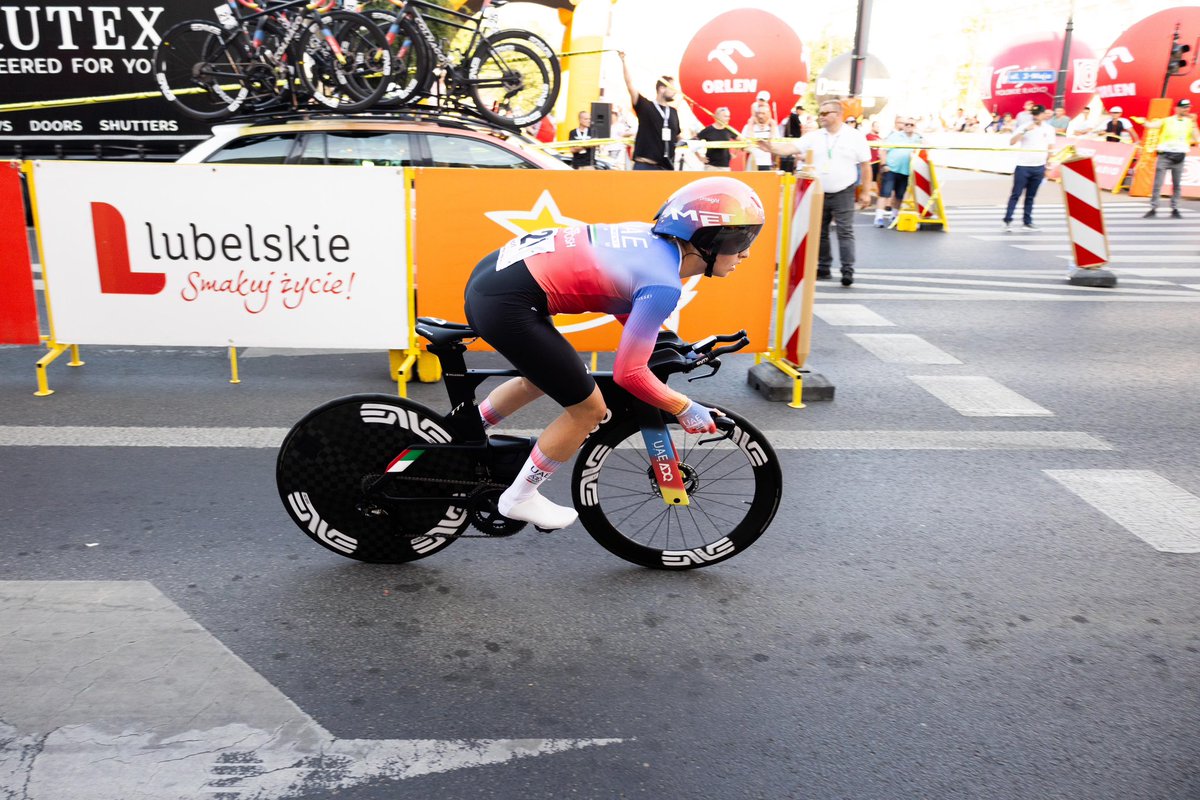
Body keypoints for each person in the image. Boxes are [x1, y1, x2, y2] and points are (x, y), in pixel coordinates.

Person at [462, 177, 765, 529]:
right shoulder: (663, 282)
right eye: (742, 241)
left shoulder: (651, 240)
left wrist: (665, 339)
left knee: (540, 378)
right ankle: (520, 498)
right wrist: (684, 407)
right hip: (508, 301)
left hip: (496, 281)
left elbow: (620, 295)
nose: (745, 253)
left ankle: (463, 435)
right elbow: (629, 374)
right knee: (589, 410)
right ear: (709, 241)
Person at [758, 98, 872, 286]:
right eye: (820, 113)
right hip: (818, 190)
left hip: (844, 190)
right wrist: (772, 148)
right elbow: (791, 148)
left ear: (838, 114)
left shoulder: (854, 136)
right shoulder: (815, 136)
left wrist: (866, 192)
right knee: (820, 232)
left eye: (825, 113)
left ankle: (847, 270)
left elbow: (866, 166)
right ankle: (824, 267)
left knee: (845, 232)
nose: (821, 117)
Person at [619, 51, 681, 170]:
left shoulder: (673, 112)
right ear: (662, 88)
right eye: (672, 88)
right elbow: (630, 84)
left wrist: (692, 143)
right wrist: (623, 61)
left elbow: (677, 135)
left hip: (666, 168)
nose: (675, 91)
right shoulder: (646, 106)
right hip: (645, 165)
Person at [1002, 103, 1056, 232]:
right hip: (1023, 166)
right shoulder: (1024, 127)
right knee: (1016, 194)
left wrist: (1048, 167)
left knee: (1031, 196)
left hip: (1039, 166)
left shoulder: (1049, 129)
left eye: (1038, 114)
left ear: (1043, 115)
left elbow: (1050, 148)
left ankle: (1027, 221)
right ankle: (1008, 220)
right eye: (1034, 114)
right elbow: (1012, 142)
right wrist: (1025, 131)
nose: (1036, 117)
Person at [1142, 98, 1198, 218]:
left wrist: (1194, 123)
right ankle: (1153, 207)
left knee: (1177, 184)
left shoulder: (1190, 123)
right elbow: (1152, 125)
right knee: (1158, 184)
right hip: (1164, 156)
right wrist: (1143, 122)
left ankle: (1175, 208)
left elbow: (1197, 138)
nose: (1186, 109)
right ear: (1176, 109)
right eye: (1184, 107)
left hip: (1179, 158)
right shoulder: (1167, 121)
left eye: (1188, 107)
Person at [874, 117, 923, 227]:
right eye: (907, 124)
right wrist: (884, 164)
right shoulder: (895, 136)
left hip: (905, 171)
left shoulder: (917, 138)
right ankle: (879, 218)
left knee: (899, 196)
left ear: (915, 127)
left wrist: (920, 134)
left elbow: (927, 146)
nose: (909, 126)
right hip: (891, 169)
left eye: (911, 125)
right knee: (884, 194)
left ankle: (894, 216)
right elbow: (882, 150)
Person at [695, 106, 739, 171]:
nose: (728, 118)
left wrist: (735, 154)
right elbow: (692, 143)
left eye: (728, 116)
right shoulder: (708, 130)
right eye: (725, 116)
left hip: (725, 167)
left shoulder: (728, 130)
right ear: (717, 116)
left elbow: (742, 141)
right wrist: (700, 157)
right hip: (711, 166)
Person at [741, 101, 776, 171]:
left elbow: (777, 145)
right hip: (751, 162)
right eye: (759, 113)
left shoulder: (773, 127)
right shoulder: (747, 127)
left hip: (766, 163)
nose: (760, 116)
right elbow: (742, 146)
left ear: (768, 114)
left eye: (763, 113)